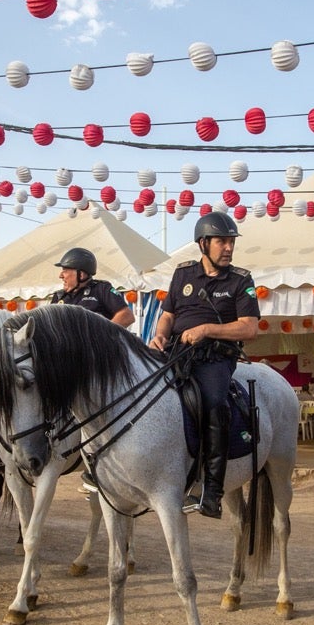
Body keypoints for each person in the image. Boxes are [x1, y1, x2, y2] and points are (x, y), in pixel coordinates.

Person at [148, 211, 259, 519]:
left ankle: (212, 490)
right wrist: (159, 334)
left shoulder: (240, 280)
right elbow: (168, 314)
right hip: (176, 351)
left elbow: (249, 328)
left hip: (215, 358)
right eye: (221, 242)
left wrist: (208, 329)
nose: (228, 248)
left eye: (230, 242)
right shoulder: (182, 274)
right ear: (203, 244)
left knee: (213, 404)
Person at [49, 247, 135, 328]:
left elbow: (127, 316)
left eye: (65, 271)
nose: (60, 276)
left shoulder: (102, 289)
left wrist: (102, 335)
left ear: (81, 275)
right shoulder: (59, 296)